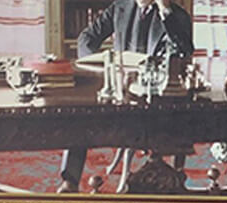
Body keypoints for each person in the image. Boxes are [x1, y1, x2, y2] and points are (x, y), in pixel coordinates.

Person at [58, 0, 194, 193]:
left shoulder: (176, 15)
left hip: (154, 100)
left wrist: (165, 11)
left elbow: (184, 51)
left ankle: (164, 177)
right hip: (119, 94)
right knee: (79, 116)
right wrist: (97, 65)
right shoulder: (120, 7)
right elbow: (86, 39)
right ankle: (70, 181)